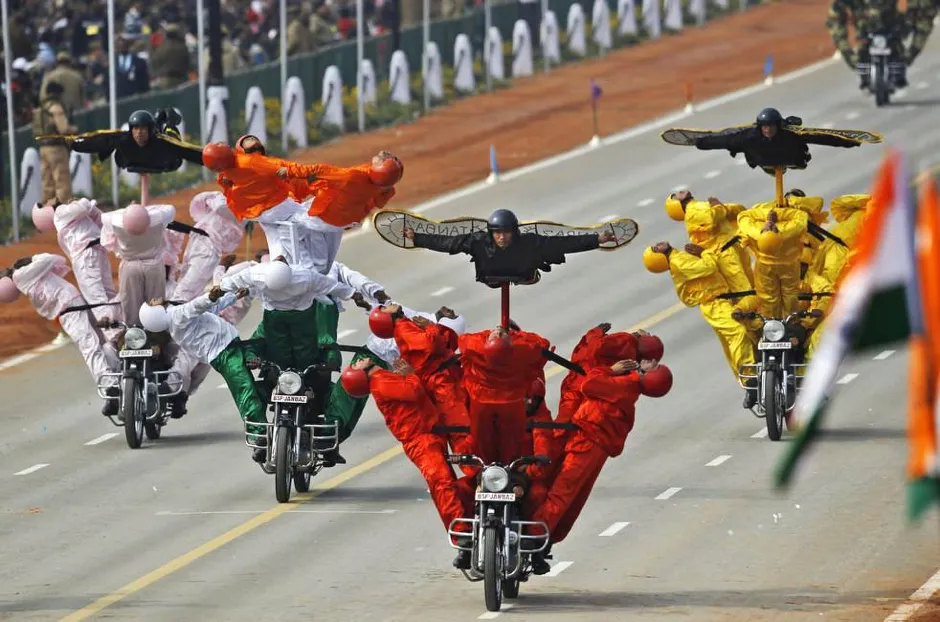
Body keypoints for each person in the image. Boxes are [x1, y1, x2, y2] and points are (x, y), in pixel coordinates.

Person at [531, 359, 670, 568]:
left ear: (648, 376)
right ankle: (544, 540)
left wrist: (610, 370)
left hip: (585, 445)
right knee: (573, 496)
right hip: (592, 446)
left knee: (561, 492)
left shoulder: (626, 385)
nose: (651, 360)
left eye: (654, 366)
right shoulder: (629, 389)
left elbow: (588, 385)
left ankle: (533, 537)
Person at [345, 356, 473, 568]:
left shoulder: (383, 377)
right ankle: (462, 535)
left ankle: (469, 525)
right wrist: (411, 375)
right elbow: (413, 391)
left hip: (432, 432)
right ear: (361, 374)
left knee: (456, 479)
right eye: (356, 365)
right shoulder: (380, 382)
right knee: (442, 482)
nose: (359, 361)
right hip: (421, 439)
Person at [138, 287, 271, 463]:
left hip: (233, 346)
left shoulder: (174, 315)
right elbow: (196, 306)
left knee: (270, 367)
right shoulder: (177, 316)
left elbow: (210, 309)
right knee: (245, 392)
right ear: (157, 313)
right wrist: (210, 296)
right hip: (225, 354)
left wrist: (233, 297)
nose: (154, 299)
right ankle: (258, 438)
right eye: (152, 303)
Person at [0, 255, 119, 414]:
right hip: (71, 304)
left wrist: (35, 259)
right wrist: (38, 264)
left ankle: (110, 388)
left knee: (89, 347)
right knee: (101, 340)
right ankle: (116, 375)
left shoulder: (20, 276)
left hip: (69, 308)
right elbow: (58, 260)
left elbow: (50, 259)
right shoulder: (27, 277)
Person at [644, 242, 757, 407]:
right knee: (737, 332)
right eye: (656, 249)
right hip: (714, 305)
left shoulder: (679, 257)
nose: (658, 244)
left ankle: (748, 382)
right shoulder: (678, 262)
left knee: (730, 342)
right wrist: (704, 253)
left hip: (721, 301)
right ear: (659, 259)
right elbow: (708, 267)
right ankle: (750, 380)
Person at [404, 209, 616, 286]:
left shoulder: (529, 241)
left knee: (546, 252)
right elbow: (447, 242)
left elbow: (564, 243)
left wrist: (596, 239)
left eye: (506, 232)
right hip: (491, 277)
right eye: (497, 232)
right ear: (491, 232)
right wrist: (418, 238)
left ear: (514, 232)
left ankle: (529, 275)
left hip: (522, 274)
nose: (502, 237)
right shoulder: (477, 240)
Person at [387, 305, 475, 465]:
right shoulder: (403, 330)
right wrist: (431, 327)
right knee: (462, 433)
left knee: (468, 430)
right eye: (383, 308)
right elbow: (431, 345)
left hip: (449, 381)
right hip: (443, 388)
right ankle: (477, 473)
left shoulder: (407, 324)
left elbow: (440, 343)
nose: (385, 306)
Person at [458, 324, 551, 465]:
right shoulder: (524, 353)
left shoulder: (475, 348)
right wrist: (516, 336)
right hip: (512, 412)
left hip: (521, 462)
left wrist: (535, 465)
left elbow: (463, 340)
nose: (499, 333)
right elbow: (542, 344)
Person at [693, 108, 861, 172]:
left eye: (771, 126)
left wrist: (848, 142)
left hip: (792, 160)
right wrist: (701, 143)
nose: (768, 129)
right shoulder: (749, 137)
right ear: (760, 126)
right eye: (765, 126)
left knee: (802, 143)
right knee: (737, 144)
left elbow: (822, 138)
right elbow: (724, 141)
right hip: (765, 162)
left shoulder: (790, 134)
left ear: (778, 125)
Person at [275, 150, 403, 227]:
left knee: (287, 222)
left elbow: (319, 170)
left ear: (378, 168)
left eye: (383, 160)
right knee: (322, 260)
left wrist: (290, 171)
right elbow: (374, 204)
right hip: (343, 222)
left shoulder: (351, 177)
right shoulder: (385, 187)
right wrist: (356, 217)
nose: (385, 154)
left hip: (322, 216)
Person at [100, 203, 176, 327]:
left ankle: (134, 330)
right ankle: (156, 329)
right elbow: (170, 209)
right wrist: (149, 212)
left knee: (131, 303)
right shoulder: (158, 218)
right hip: (154, 266)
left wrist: (126, 211)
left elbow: (104, 216)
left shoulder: (115, 221)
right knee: (156, 301)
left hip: (130, 267)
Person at [64, 109, 204, 174]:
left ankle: (167, 120)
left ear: (149, 129)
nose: (139, 133)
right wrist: (74, 144)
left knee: (170, 132)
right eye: (136, 129)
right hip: (134, 162)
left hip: (165, 162)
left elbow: (187, 151)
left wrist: (209, 159)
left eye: (143, 129)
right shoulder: (123, 139)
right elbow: (98, 142)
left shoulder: (164, 142)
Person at [51, 198, 119, 325]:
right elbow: (100, 219)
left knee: (95, 297)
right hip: (98, 251)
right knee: (109, 293)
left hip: (85, 256)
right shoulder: (78, 218)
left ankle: (115, 332)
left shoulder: (60, 212)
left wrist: (78, 202)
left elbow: (83, 206)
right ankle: (124, 326)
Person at [737, 201, 809, 319]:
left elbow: (743, 216)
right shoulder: (790, 229)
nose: (770, 227)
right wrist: (778, 215)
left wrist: (767, 216)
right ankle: (789, 321)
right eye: (771, 229)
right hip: (788, 266)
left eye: (769, 229)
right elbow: (801, 215)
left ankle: (775, 321)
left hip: (765, 267)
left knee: (771, 297)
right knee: (787, 294)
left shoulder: (754, 230)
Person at [825, 0, 918, 89]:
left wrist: (909, 22)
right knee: (859, 52)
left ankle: (898, 67)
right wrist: (850, 57)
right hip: (864, 28)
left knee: (898, 49)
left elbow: (915, 8)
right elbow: (835, 19)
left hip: (890, 24)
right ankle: (863, 70)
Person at [173, 191, 245, 302]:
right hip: (199, 239)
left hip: (210, 246)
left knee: (189, 287)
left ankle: (175, 308)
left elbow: (220, 208)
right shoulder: (224, 198)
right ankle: (176, 308)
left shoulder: (245, 207)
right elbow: (208, 203)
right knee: (184, 279)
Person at [33, 81, 76, 204]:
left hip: (43, 147)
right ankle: (64, 208)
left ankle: (47, 209)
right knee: (62, 181)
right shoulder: (55, 107)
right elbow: (63, 128)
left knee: (47, 182)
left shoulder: (42, 107)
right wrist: (74, 129)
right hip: (56, 148)